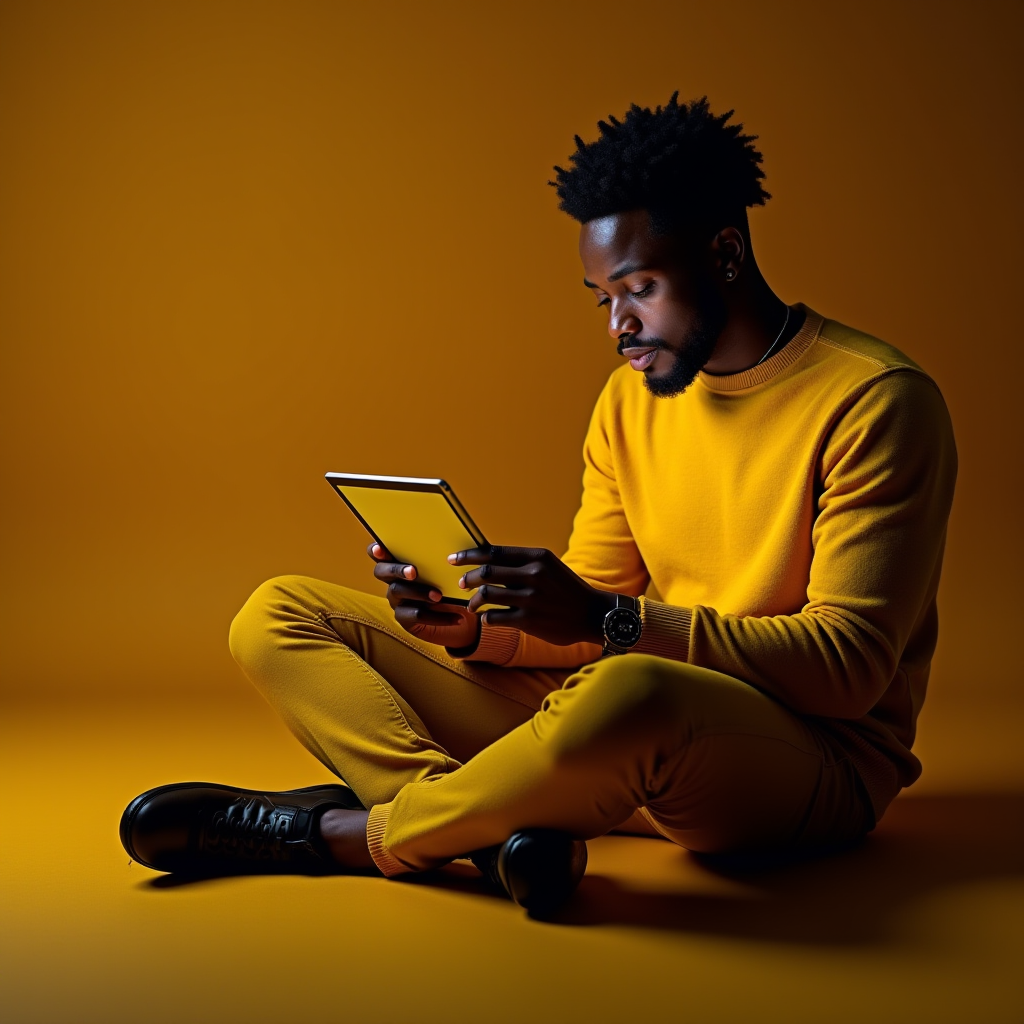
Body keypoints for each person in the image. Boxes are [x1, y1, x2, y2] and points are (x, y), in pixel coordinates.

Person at [120, 94, 957, 918]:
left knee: (629, 692)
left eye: (640, 289)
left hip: (800, 763)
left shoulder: (874, 400)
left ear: (726, 255)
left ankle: (346, 835)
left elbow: (846, 672)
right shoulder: (631, 402)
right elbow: (587, 615)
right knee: (278, 613)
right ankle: (489, 833)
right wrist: (474, 629)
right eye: (603, 299)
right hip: (598, 744)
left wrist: (612, 620)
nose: (618, 327)